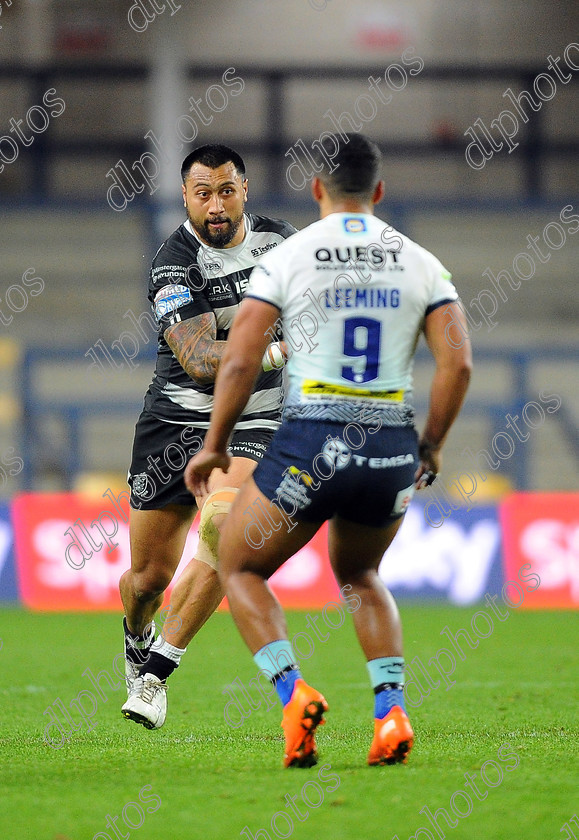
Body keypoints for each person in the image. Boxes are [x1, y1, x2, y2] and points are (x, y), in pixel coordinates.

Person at [185, 133, 472, 767]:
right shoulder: (420, 261)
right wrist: (430, 445)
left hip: (313, 440)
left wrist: (214, 445)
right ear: (379, 192)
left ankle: (294, 696)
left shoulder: (290, 255)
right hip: (390, 444)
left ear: (317, 190)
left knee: (240, 567)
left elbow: (237, 360)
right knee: (362, 575)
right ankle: (390, 714)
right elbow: (458, 363)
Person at [120, 144, 296, 730]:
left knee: (224, 529)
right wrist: (279, 351)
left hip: (253, 417)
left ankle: (155, 674)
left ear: (245, 189)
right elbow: (198, 360)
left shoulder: (283, 246)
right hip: (175, 421)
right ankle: (136, 634)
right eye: (202, 194)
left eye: (226, 191)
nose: (215, 206)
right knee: (147, 580)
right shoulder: (173, 261)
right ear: (187, 198)